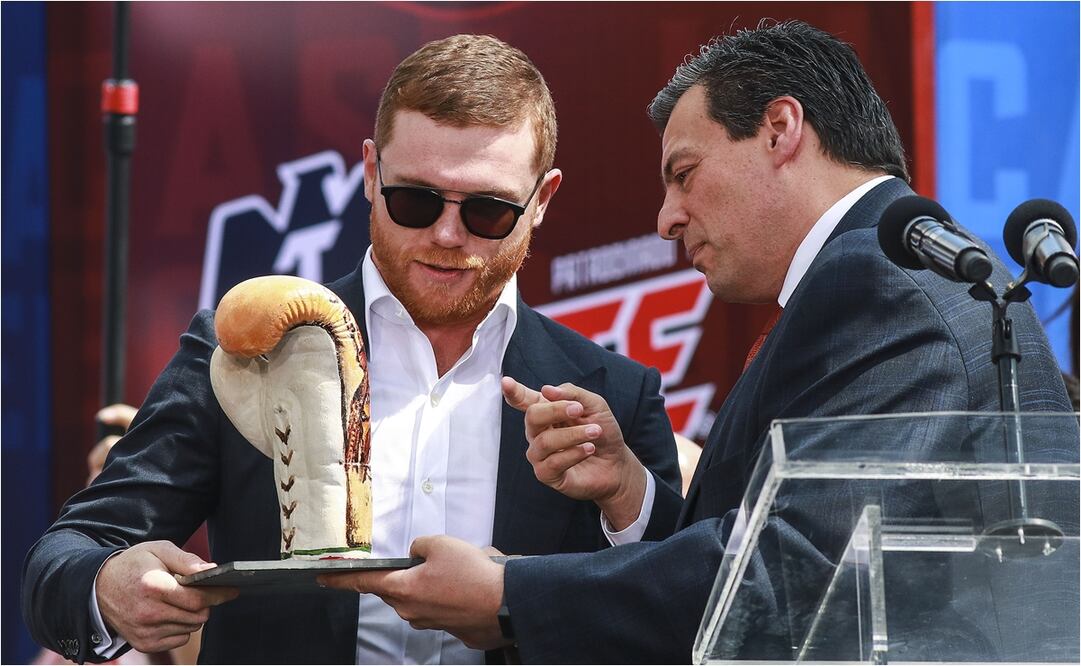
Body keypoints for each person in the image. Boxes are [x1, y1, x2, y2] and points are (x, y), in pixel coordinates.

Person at [319, 20, 1075, 663]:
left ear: (780, 130)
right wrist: (626, 489)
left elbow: (800, 576)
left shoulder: (882, 286)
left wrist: (511, 594)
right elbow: (785, 551)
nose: (666, 219)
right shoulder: (878, 278)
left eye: (684, 174)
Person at [22, 35, 681, 664]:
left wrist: (626, 497)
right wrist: (108, 586)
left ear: (542, 200)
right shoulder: (248, 352)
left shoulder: (615, 395)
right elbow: (66, 556)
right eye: (414, 200)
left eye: (487, 211)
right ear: (369, 174)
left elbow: (679, 607)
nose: (448, 234)